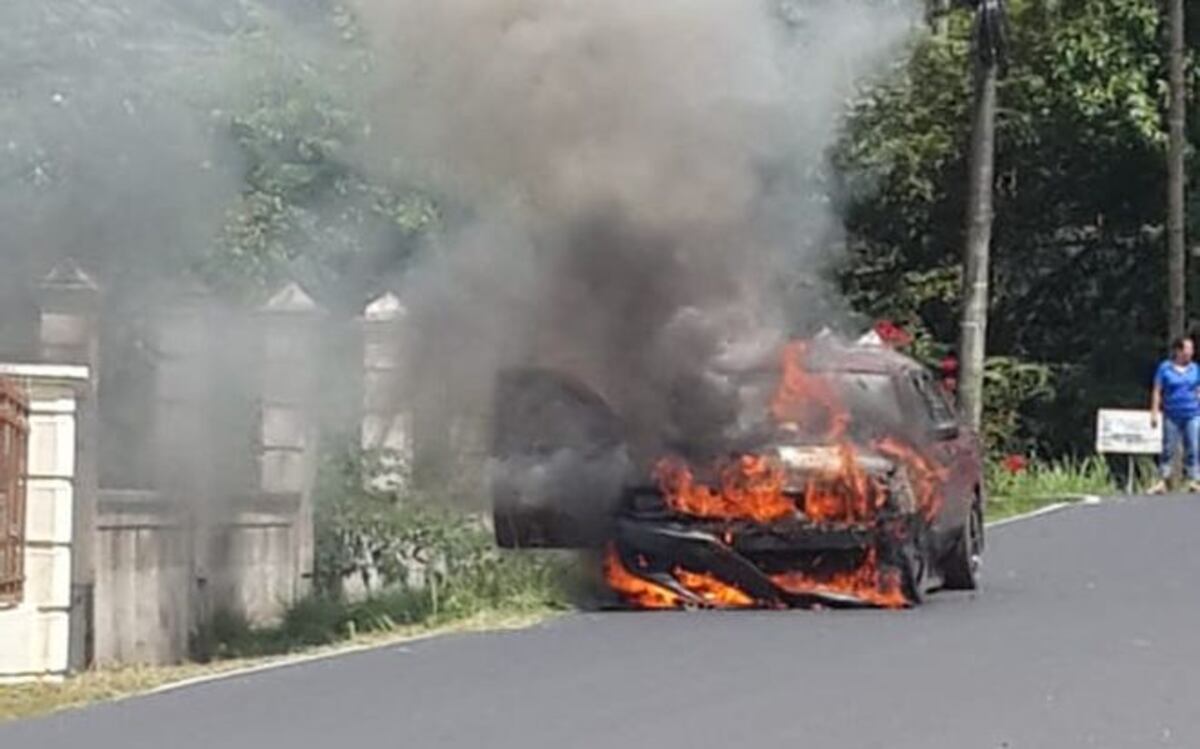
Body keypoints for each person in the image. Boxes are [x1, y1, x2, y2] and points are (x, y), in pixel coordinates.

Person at [1148, 336, 1200, 493]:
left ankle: (1195, 479)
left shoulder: (1195, 369)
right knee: (1168, 448)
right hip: (1172, 414)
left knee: (1193, 446)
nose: (1190, 352)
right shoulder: (1165, 368)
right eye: (1187, 349)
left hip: (1192, 413)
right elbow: (1157, 390)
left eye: (1192, 349)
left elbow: (1198, 390)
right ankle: (1164, 480)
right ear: (1178, 351)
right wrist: (1154, 412)